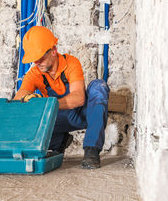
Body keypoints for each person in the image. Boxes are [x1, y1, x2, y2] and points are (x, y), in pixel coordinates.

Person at [13, 26, 109, 169]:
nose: (37, 63)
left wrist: (45, 104)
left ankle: (91, 151)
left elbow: (78, 98)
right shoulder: (35, 73)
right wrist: (28, 98)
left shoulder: (71, 63)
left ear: (53, 51)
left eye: (40, 58)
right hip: (57, 118)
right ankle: (59, 142)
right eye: (34, 60)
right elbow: (18, 97)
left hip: (81, 114)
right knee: (29, 117)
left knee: (98, 86)